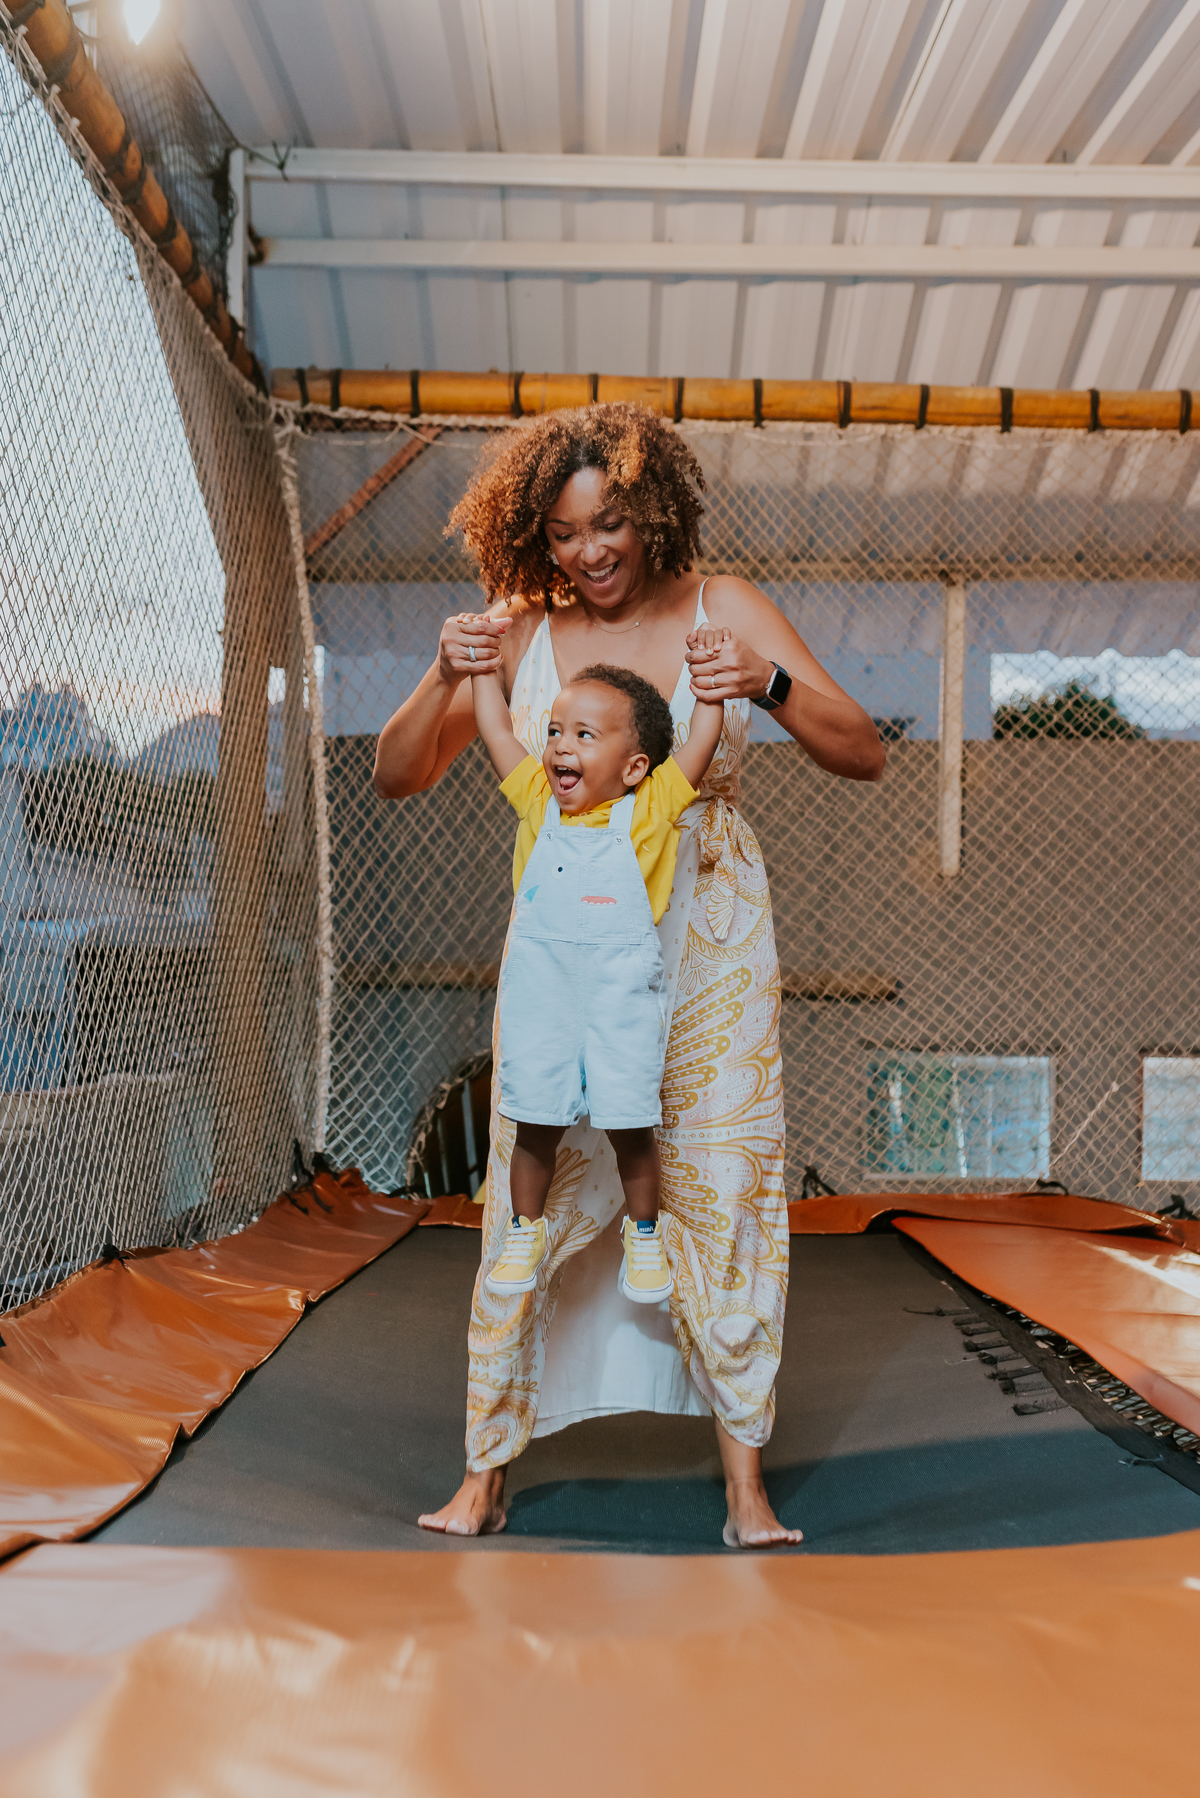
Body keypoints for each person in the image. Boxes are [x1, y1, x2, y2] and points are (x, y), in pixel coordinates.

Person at [374, 403, 885, 1549]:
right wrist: (437, 671)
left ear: (651, 514)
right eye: (562, 532)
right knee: (531, 1182)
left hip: (703, 943)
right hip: (569, 951)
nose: (588, 551)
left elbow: (862, 748)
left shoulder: (726, 607)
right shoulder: (519, 634)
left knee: (720, 1181)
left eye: (608, 523)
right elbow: (397, 773)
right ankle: (484, 1472)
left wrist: (767, 683)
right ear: (536, 536)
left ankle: (745, 1490)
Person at [470, 658, 724, 1306]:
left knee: (631, 1120)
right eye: (556, 730)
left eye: (585, 735)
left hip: (619, 995)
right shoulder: (536, 799)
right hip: (543, 990)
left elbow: (699, 743)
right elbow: (498, 730)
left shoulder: (650, 808)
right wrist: (477, 670)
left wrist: (711, 685)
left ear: (634, 767)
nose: (560, 745)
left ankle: (644, 1234)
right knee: (534, 1118)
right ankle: (525, 1229)